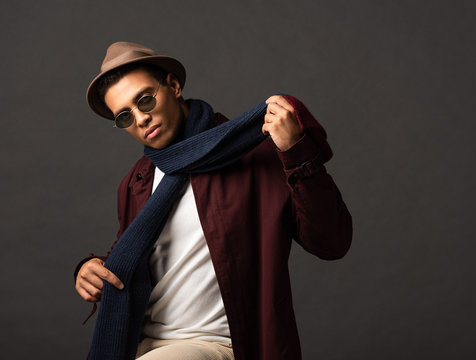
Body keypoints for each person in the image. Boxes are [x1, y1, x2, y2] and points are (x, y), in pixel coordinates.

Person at [74, 41, 352, 360]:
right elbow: (132, 253)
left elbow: (332, 242)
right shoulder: (138, 181)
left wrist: (296, 153)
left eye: (146, 100)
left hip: (220, 344)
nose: (140, 119)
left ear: (174, 86)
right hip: (140, 342)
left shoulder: (253, 155)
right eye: (124, 116)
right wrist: (92, 268)